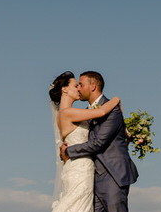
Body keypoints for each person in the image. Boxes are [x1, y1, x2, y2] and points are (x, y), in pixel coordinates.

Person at [60, 71, 138, 212]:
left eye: (81, 85)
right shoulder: (86, 112)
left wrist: (68, 151)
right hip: (91, 179)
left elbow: (99, 142)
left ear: (93, 86)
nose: (78, 88)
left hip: (113, 175)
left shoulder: (112, 108)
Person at [49, 71, 122, 212]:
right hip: (79, 170)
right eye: (76, 85)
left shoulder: (72, 113)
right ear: (65, 89)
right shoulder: (66, 113)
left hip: (79, 168)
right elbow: (101, 112)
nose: (79, 89)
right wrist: (116, 99)